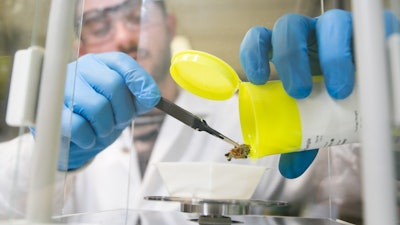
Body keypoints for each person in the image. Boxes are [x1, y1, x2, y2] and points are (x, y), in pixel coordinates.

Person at [1, 0, 391, 224]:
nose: (124, 36)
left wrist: (386, 93)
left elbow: (368, 180)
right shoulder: (59, 130)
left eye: (135, 15)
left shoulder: (242, 116)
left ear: (170, 24)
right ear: (80, 46)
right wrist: (51, 155)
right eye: (99, 24)